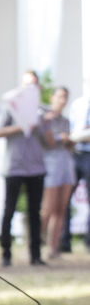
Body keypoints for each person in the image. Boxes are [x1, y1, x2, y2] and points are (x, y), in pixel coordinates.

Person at [0, 79, 47, 266]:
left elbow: (50, 143)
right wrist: (21, 127)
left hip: (36, 167)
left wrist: (40, 127)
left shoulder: (42, 112)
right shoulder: (10, 108)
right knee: (9, 209)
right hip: (14, 167)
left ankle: (36, 255)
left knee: (35, 212)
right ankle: (6, 253)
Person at [38, 86, 75, 260]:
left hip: (66, 164)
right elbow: (48, 142)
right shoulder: (45, 118)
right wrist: (62, 137)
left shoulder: (66, 121)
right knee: (47, 208)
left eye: (65, 97)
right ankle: (35, 246)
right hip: (50, 165)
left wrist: (70, 140)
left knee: (61, 208)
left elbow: (70, 145)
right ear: (52, 97)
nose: (63, 100)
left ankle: (53, 248)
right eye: (60, 96)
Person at [62, 86, 90, 253]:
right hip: (74, 153)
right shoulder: (77, 104)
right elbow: (70, 128)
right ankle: (64, 240)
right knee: (64, 198)